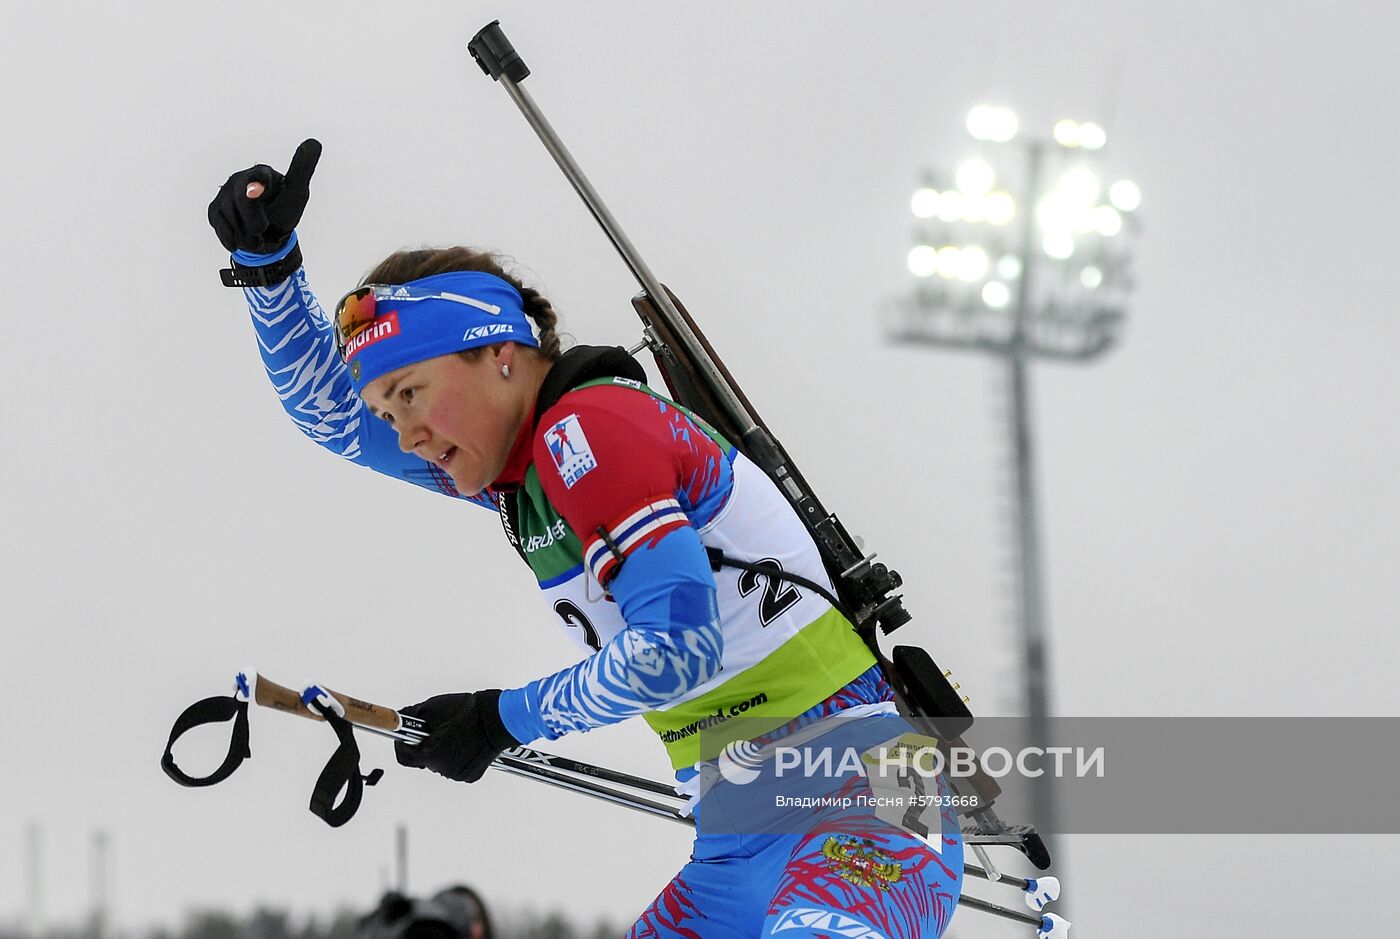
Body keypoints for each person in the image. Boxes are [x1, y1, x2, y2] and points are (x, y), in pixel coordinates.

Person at [208, 139, 964, 938]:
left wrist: (501, 718)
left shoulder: (590, 429)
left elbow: (679, 649)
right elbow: (332, 415)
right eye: (392, 413)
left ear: (500, 354)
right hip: (737, 846)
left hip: (870, 803)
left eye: (412, 393)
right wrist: (269, 274)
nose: (408, 433)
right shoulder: (527, 481)